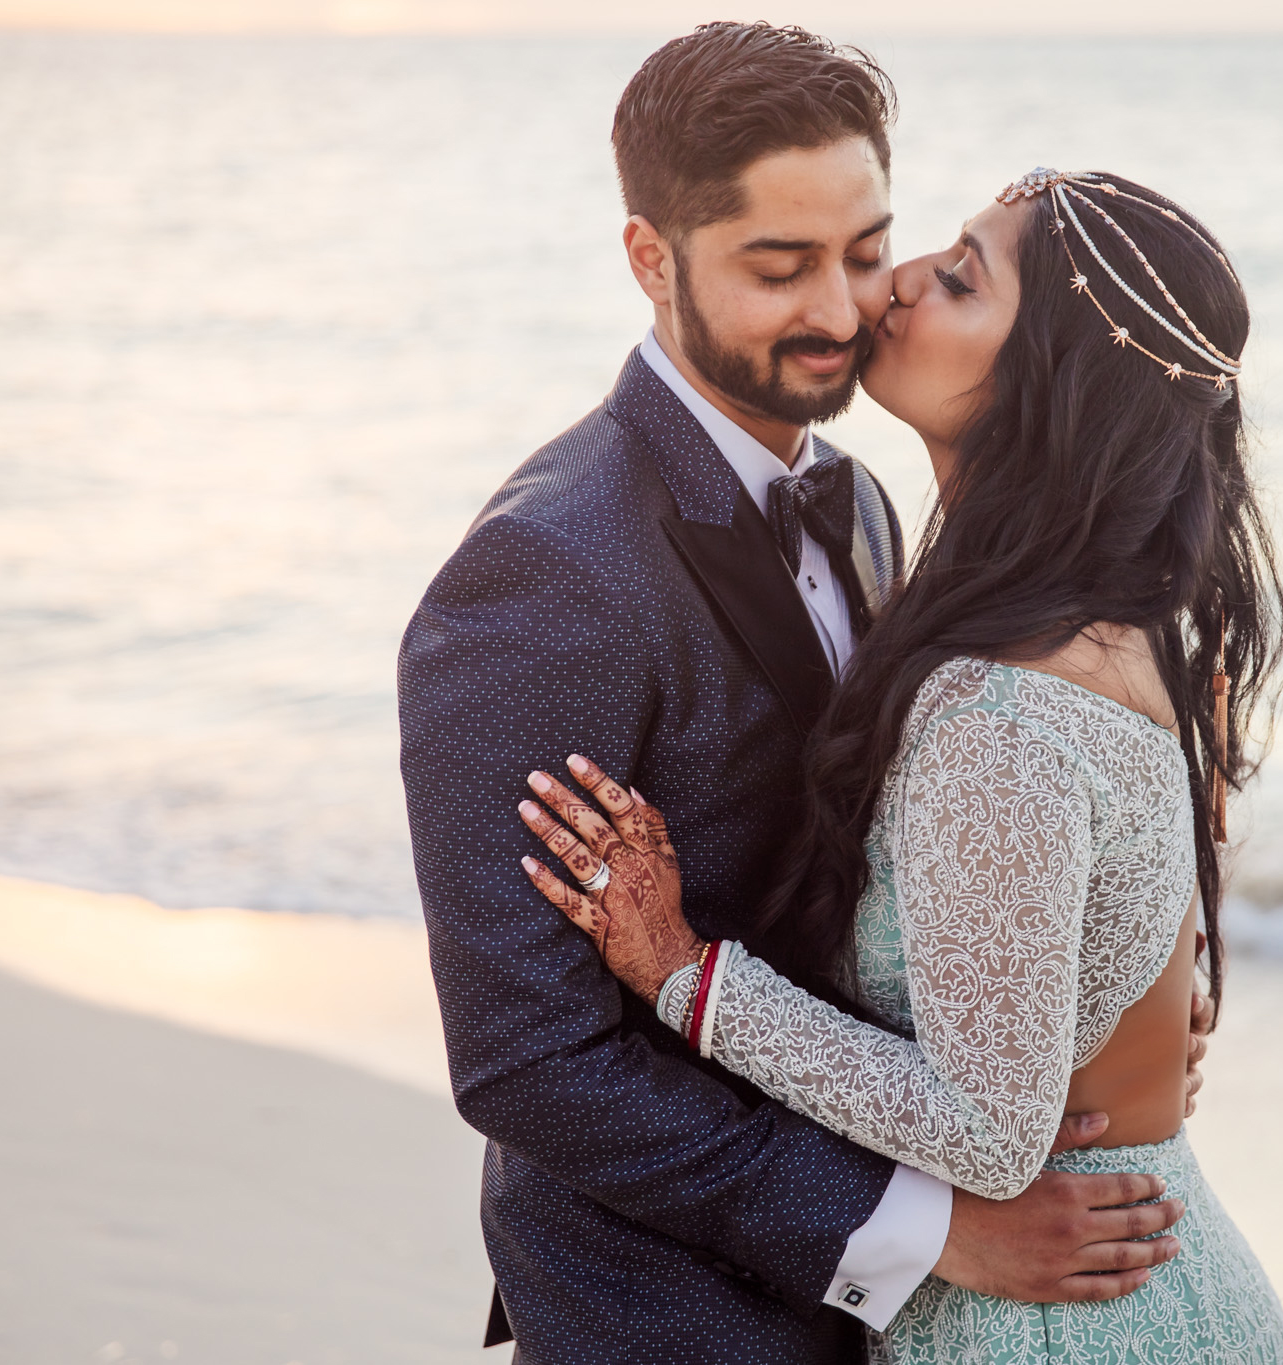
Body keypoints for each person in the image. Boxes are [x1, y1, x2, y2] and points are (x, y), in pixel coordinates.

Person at [398, 24, 1211, 1365]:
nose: (844, 310)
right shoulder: (544, 578)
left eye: (864, 249)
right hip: (675, 1313)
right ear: (652, 261)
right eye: (780, 268)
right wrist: (920, 1228)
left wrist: (1105, 1047)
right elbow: (525, 1062)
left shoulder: (864, 504)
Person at [511, 166, 1283, 1362]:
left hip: (1055, 1323)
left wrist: (682, 974)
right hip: (1142, 1274)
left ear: (1045, 391)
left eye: (960, 278)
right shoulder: (1121, 623)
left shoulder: (1004, 713)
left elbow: (986, 1130)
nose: (896, 285)